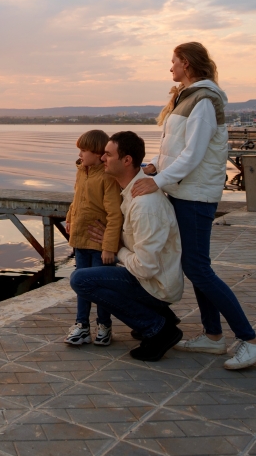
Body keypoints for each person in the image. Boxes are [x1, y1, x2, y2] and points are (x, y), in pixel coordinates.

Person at [130, 42, 256, 370]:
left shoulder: (205, 99)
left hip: (195, 194)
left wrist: (158, 181)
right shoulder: (188, 96)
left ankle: (250, 340)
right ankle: (212, 336)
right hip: (184, 191)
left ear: (188, 64)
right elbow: (176, 148)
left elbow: (193, 154)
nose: (171, 68)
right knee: (197, 266)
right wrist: (155, 165)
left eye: (174, 62)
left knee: (198, 268)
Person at [69, 131, 185, 362]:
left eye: (108, 155)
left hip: (155, 284)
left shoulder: (145, 205)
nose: (102, 159)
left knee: (81, 280)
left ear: (127, 160)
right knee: (95, 276)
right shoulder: (132, 191)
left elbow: (145, 267)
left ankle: (158, 328)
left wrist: (114, 247)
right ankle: (161, 316)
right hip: (153, 279)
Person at [63, 130, 123, 347]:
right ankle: (82, 325)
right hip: (80, 241)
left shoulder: (107, 178)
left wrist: (109, 248)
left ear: (98, 154)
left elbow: (115, 214)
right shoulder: (81, 172)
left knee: (100, 288)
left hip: (99, 244)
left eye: (83, 150)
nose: (80, 154)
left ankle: (104, 326)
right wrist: (70, 217)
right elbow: (76, 199)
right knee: (81, 285)